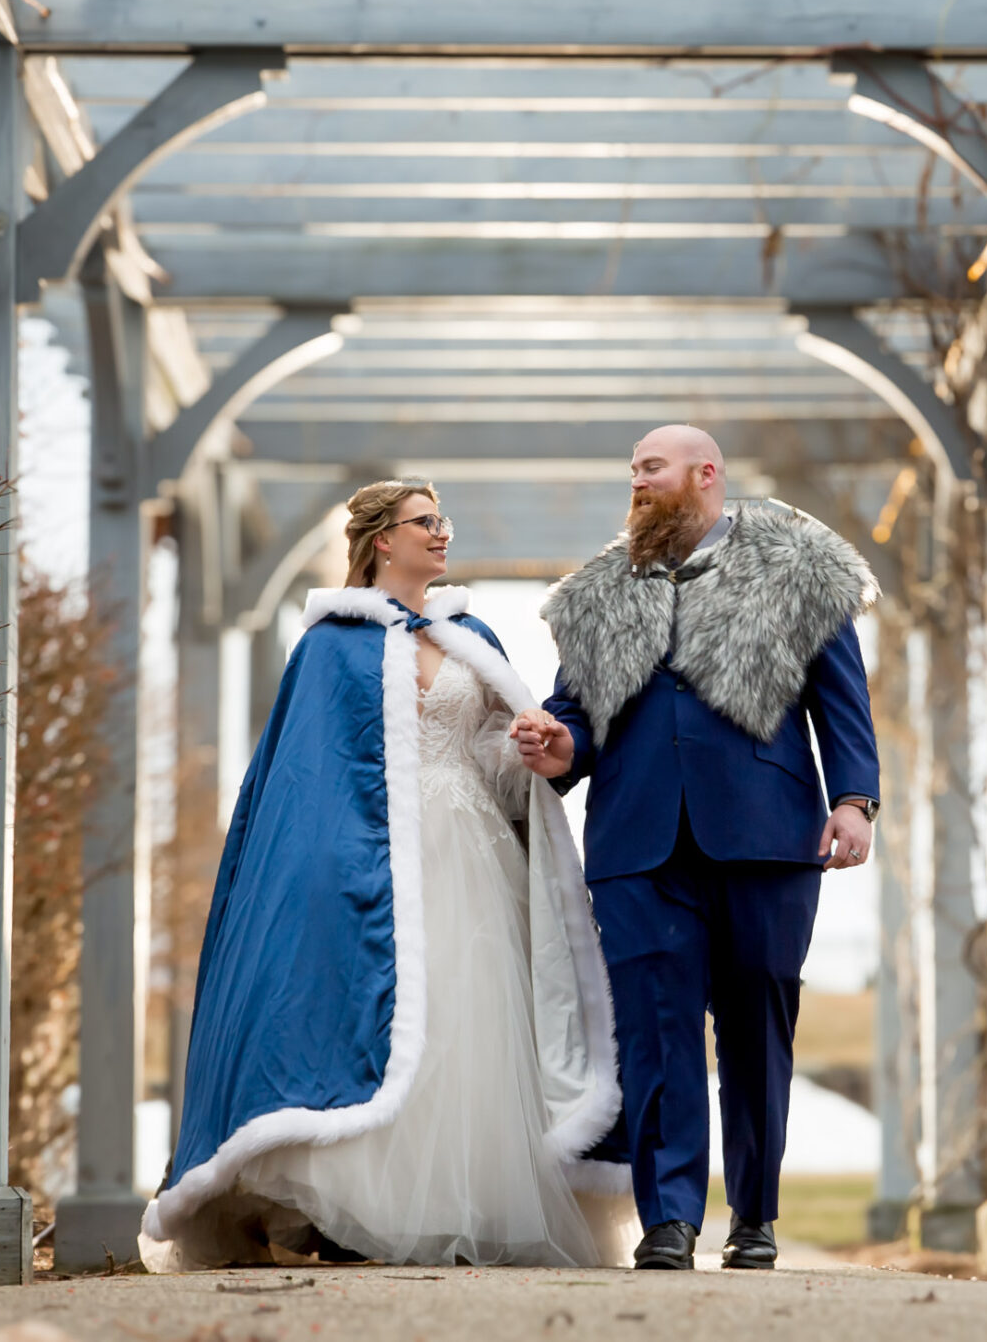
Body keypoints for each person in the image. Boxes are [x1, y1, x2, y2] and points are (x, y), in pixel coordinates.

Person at [142, 481, 635, 1271]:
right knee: (370, 1022)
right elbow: (305, 780)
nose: (443, 533)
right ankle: (356, 1211)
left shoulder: (473, 634)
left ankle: (461, 1207)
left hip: (474, 852)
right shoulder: (329, 645)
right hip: (363, 868)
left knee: (471, 1023)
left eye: (445, 520)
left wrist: (525, 748)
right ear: (383, 541)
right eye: (426, 522)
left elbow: (496, 765)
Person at [509, 425, 881, 1271]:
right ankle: (669, 1220)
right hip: (637, 843)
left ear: (704, 474)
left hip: (768, 836)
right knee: (655, 1030)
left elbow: (841, 701)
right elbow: (577, 715)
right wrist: (556, 746)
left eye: (651, 467)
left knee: (756, 1025)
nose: (636, 482)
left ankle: (754, 1216)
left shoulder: (796, 570)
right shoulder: (598, 595)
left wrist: (855, 801)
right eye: (633, 470)